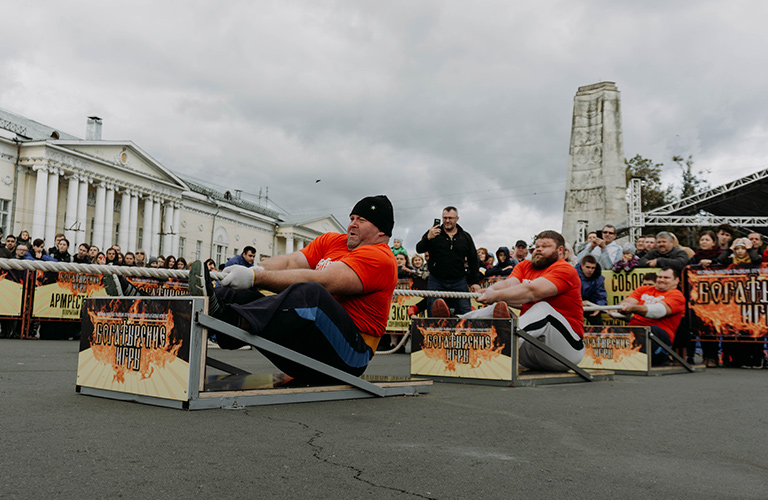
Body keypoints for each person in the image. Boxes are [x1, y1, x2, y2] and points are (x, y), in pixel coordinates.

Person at [183, 195, 398, 381]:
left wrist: (255, 277)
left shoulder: (380, 257)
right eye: (351, 218)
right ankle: (209, 318)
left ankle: (230, 321)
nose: (352, 224)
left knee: (312, 293)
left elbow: (325, 281)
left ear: (381, 231)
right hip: (312, 345)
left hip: (350, 355)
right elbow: (290, 262)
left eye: (361, 220)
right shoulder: (333, 241)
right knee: (234, 294)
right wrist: (254, 270)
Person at [450, 230, 585, 372]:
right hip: (530, 350)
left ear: (560, 250)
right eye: (537, 246)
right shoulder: (525, 266)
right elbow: (509, 284)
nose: (539, 249)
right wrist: (491, 291)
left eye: (545, 246)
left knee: (543, 308)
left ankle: (502, 343)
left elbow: (532, 291)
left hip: (566, 351)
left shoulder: (565, 269)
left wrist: (495, 295)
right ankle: (452, 327)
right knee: (497, 307)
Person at [415, 206, 481, 316]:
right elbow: (419, 249)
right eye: (445, 218)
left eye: (450, 218)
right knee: (433, 311)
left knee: (465, 311)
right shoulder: (433, 233)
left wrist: (475, 282)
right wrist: (428, 238)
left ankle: (464, 328)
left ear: (457, 219)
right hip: (436, 280)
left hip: (459, 280)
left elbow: (473, 259)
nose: (447, 221)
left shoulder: (465, 237)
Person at [619, 267, 686, 365]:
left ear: (676, 280)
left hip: (658, 337)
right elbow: (628, 302)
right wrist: (620, 308)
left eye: (666, 278)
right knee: (612, 331)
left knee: (651, 330)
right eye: (660, 277)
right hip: (635, 331)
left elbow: (657, 311)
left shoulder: (677, 295)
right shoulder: (643, 289)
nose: (661, 280)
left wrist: (632, 308)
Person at [577, 254, 606, 326]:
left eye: (593, 268)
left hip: (591, 305)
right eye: (588, 267)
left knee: (598, 324)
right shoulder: (572, 274)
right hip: (575, 305)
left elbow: (601, 296)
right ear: (582, 266)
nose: (590, 270)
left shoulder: (598, 277)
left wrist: (598, 307)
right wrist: (580, 302)